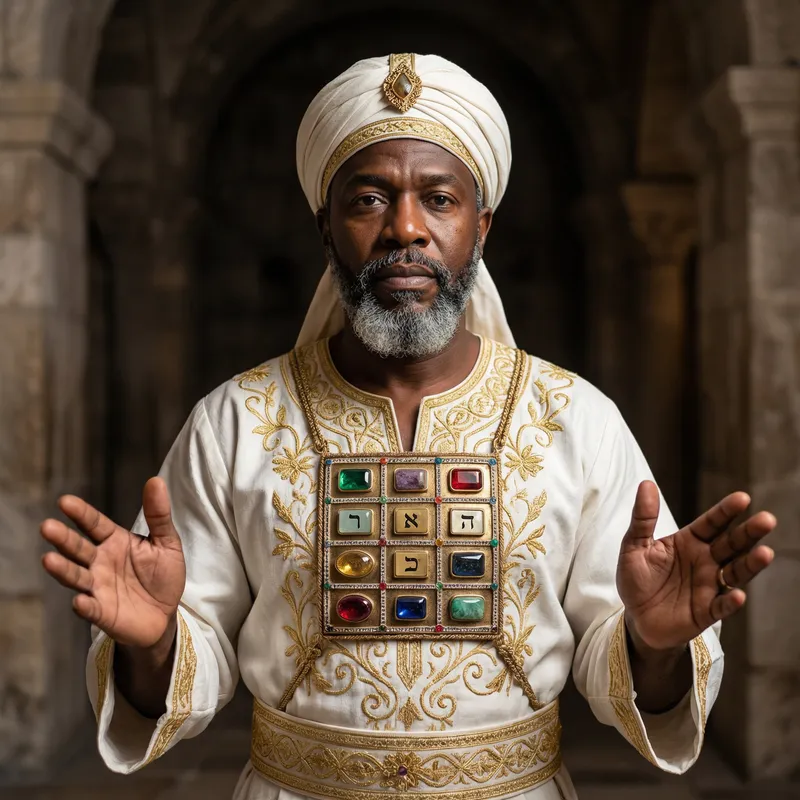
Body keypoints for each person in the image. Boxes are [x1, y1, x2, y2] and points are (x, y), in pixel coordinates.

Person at [40, 53, 776, 800]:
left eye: (439, 199)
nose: (406, 230)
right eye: (368, 199)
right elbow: (187, 661)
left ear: (480, 227)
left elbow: (621, 663)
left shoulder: (574, 419)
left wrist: (653, 643)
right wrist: (154, 642)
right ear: (324, 227)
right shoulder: (238, 421)